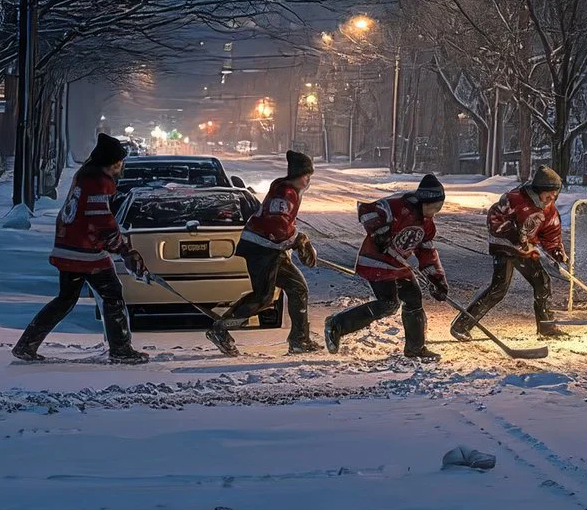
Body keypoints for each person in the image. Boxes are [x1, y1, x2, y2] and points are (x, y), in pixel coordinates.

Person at [14, 134, 148, 363]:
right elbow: (102, 221)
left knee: (65, 299)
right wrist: (123, 250)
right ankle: (121, 349)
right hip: (86, 253)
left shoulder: (83, 176)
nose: (121, 167)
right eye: (120, 162)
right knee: (113, 294)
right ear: (113, 162)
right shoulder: (99, 182)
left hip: (68, 248)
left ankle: (26, 344)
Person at [323, 174, 448, 360]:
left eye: (439, 207)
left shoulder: (428, 225)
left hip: (400, 265)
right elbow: (366, 210)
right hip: (377, 262)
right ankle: (337, 324)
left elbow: (427, 252)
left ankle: (415, 349)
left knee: (414, 298)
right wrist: (379, 231)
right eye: (434, 207)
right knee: (388, 304)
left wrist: (436, 278)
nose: (435, 211)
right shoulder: (398, 205)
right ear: (424, 200)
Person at [216, 149, 320, 352]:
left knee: (297, 287)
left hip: (272, 248)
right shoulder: (284, 194)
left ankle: (299, 340)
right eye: (307, 175)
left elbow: (283, 227)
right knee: (263, 297)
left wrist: (298, 240)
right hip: (260, 248)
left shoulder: (289, 190)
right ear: (298, 175)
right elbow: (277, 225)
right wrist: (298, 239)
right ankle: (221, 328)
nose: (309, 180)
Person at [455, 166, 568, 340]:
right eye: (548, 194)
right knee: (499, 288)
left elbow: (551, 234)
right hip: (504, 246)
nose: (551, 198)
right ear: (538, 190)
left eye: (555, 195)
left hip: (525, 250)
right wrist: (514, 236)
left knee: (542, 282)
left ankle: (546, 328)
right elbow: (495, 218)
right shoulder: (514, 199)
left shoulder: (549, 210)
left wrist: (556, 252)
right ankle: (462, 325)